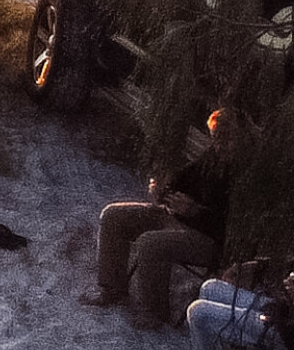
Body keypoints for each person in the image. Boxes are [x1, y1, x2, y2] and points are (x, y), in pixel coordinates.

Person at [86, 131, 228, 328]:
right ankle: (112, 288)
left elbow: (229, 228)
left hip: (209, 239)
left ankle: (155, 313)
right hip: (177, 219)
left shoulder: (247, 175)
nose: (219, 143)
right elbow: (180, 181)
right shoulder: (211, 158)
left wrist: (196, 212)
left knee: (151, 243)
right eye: (217, 136)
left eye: (226, 137)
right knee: (114, 215)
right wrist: (163, 190)